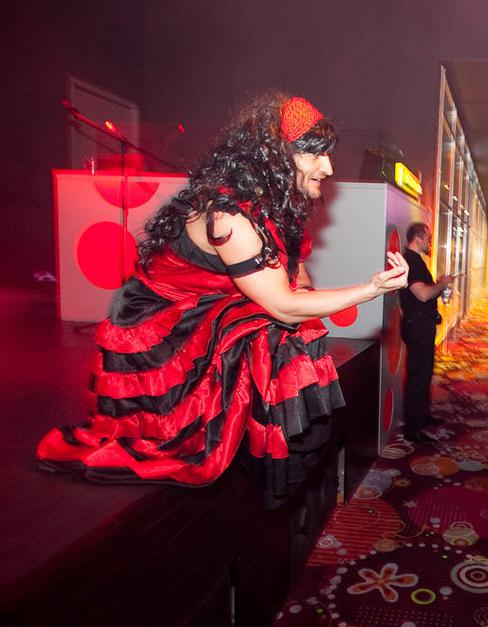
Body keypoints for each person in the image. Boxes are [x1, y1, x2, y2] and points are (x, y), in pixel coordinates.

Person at [36, 93, 409, 507]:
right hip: (159, 331)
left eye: (327, 153)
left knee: (289, 332)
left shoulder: (269, 204)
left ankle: (278, 466)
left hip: (204, 308)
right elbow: (282, 304)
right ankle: (262, 463)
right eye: (314, 154)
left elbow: (295, 277)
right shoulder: (230, 216)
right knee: (270, 332)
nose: (328, 167)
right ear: (275, 155)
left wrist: (303, 298)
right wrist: (371, 289)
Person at [399, 222, 452, 444]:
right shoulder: (411, 261)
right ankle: (412, 428)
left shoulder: (416, 260)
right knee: (418, 377)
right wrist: (442, 284)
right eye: (428, 239)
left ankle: (421, 416)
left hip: (422, 324)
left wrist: (438, 285)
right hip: (417, 326)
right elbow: (422, 294)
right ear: (418, 238)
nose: (430, 242)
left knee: (424, 373)